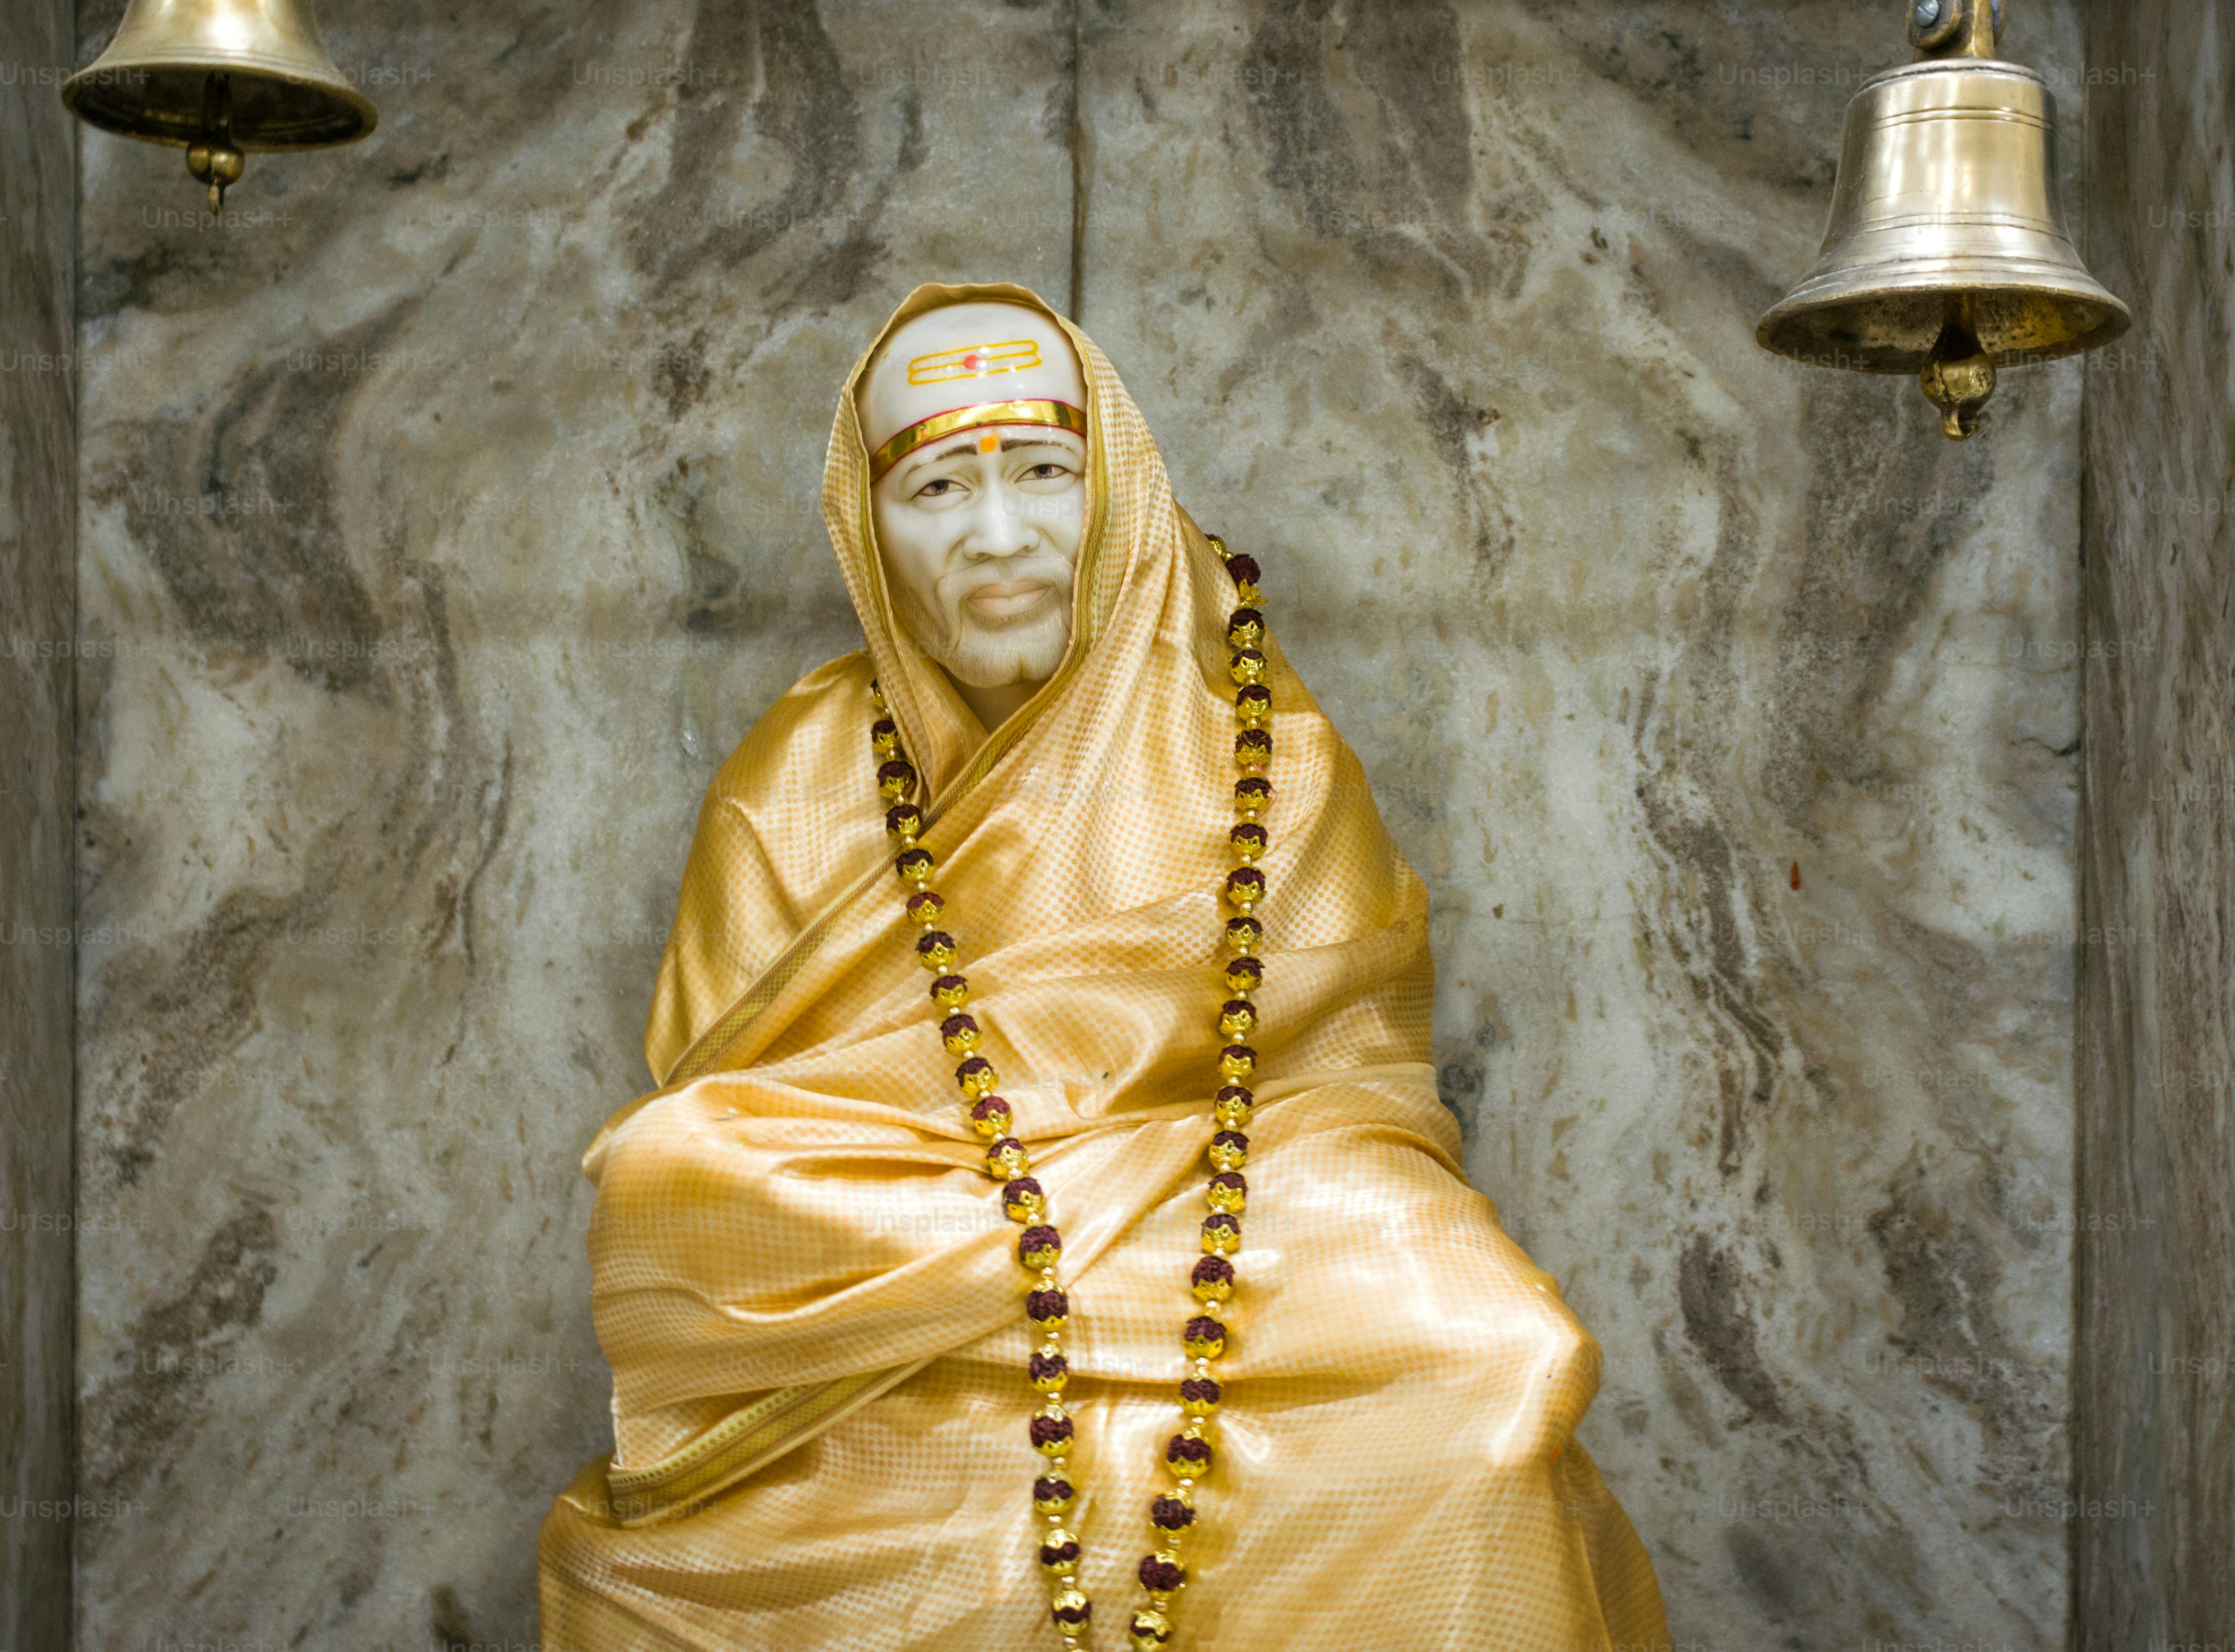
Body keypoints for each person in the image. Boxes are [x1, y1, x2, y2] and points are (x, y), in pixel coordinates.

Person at [540, 282, 1666, 1649]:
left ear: (1117, 485)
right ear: (867, 529)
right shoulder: (797, 777)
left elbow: (1353, 1101)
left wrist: (1113, 1197)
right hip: (908, 1255)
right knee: (668, 1179)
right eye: (941, 487)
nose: (1001, 537)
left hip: (1242, 1229)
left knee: (1498, 1352)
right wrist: (1022, 1212)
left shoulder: (1262, 752)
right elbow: (727, 1132)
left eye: (1043, 474)